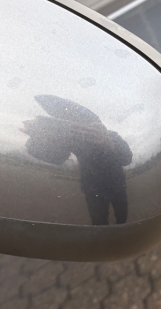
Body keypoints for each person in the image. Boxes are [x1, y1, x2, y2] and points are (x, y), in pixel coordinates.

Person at [22, 94, 132, 225]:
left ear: (101, 125)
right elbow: (58, 158)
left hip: (117, 185)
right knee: (98, 223)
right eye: (84, 126)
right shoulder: (76, 140)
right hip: (93, 189)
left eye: (93, 126)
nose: (89, 130)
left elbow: (127, 159)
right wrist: (37, 140)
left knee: (122, 217)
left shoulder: (113, 136)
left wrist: (110, 144)